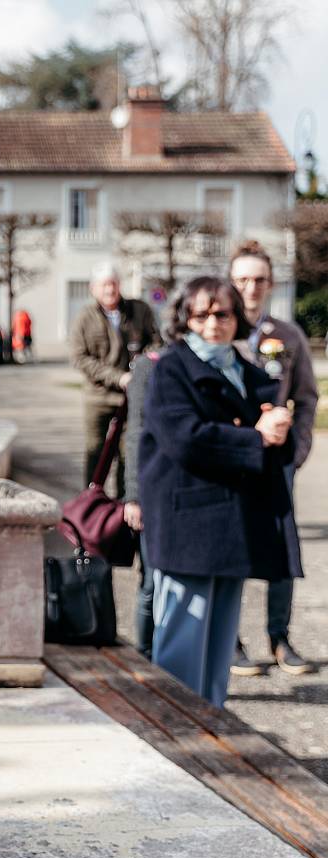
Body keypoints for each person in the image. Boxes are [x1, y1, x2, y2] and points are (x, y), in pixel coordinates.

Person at [138, 277, 300, 707]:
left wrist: (278, 429)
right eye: (201, 314)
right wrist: (255, 438)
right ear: (185, 319)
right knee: (181, 650)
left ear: (236, 318)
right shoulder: (171, 367)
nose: (213, 323)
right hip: (187, 523)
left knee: (217, 653)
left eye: (222, 313)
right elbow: (184, 438)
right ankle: (178, 739)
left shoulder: (245, 370)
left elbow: (266, 430)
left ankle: (211, 730)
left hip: (231, 525)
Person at [228, 240, 319, 677]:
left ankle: (279, 637)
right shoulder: (217, 331)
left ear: (271, 284)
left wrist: (298, 450)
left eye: (259, 279)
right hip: (229, 459)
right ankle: (230, 640)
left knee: (282, 551)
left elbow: (306, 396)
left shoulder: (287, 335)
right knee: (230, 546)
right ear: (231, 283)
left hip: (275, 462)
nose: (251, 287)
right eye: (243, 279)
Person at [70, 262, 161, 497]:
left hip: (132, 398)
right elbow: (80, 358)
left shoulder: (139, 310)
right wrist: (119, 378)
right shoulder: (84, 318)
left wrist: (141, 368)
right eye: (104, 285)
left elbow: (156, 343)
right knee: (95, 453)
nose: (110, 290)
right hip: (98, 398)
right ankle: (91, 506)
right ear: (93, 289)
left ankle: (123, 508)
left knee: (128, 454)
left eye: (113, 284)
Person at [121, 343, 163, 658]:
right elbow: (134, 433)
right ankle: (145, 656)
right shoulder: (148, 367)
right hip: (153, 492)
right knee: (150, 582)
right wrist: (133, 496)